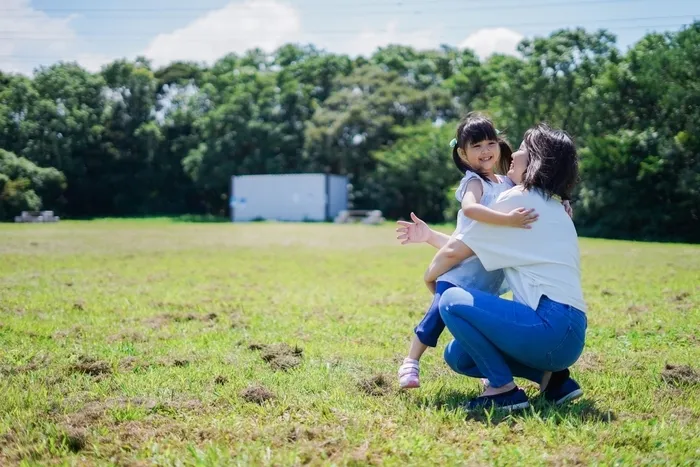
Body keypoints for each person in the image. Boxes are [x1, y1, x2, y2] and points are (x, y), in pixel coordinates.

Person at [408, 123, 586, 411]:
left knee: (451, 301)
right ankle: (553, 380)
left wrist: (429, 277)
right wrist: (430, 237)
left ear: (537, 160)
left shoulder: (518, 200)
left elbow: (456, 251)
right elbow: (471, 248)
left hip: (548, 327)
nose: (513, 153)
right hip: (571, 333)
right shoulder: (554, 205)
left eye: (524, 149)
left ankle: (503, 389)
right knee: (459, 356)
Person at [397, 113, 540, 389]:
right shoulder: (473, 182)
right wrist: (508, 220)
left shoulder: (508, 183)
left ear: (499, 145)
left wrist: (563, 201)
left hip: (487, 278)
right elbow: (469, 210)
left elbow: (464, 243)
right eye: (476, 146)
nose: (485, 150)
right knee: (435, 315)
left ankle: (490, 372)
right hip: (457, 274)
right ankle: (411, 362)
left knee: (480, 331)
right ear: (463, 153)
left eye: (490, 143)